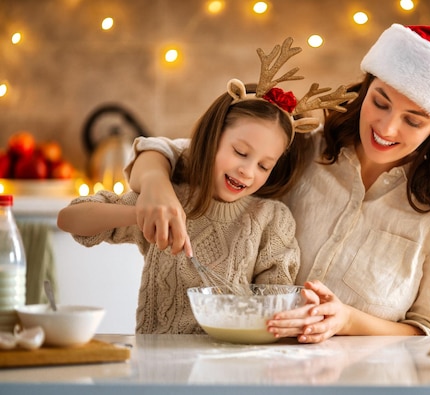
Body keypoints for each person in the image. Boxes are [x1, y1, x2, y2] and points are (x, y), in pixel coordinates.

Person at [123, 24, 430, 342]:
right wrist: (155, 184)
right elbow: (168, 151)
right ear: (365, 88)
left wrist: (348, 321)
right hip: (252, 364)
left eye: (413, 121)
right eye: (379, 102)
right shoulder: (301, 149)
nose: (387, 127)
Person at [57, 37, 356, 334]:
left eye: (264, 165)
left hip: (234, 365)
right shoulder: (172, 199)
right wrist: (143, 213)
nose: (247, 171)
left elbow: (275, 307)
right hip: (160, 361)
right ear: (213, 137)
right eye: (240, 152)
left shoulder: (271, 220)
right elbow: (69, 219)